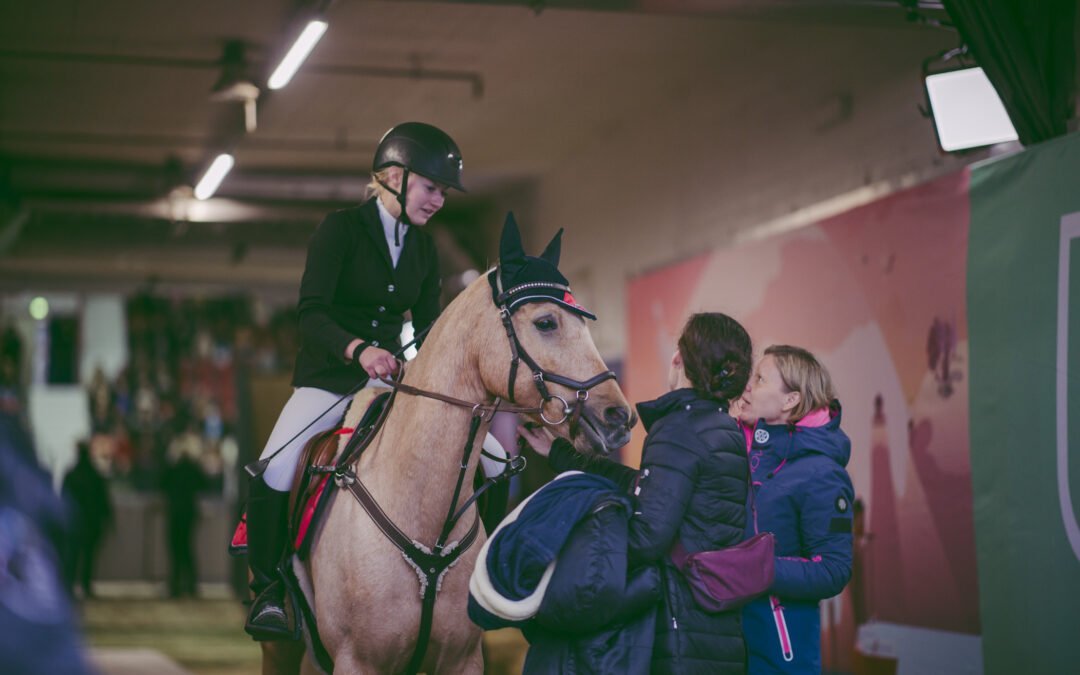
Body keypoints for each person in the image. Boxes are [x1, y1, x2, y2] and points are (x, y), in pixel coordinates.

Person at [244, 121, 465, 640]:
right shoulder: (339, 230)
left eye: (443, 193)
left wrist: (426, 365)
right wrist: (359, 349)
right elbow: (311, 313)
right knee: (274, 467)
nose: (438, 201)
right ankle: (269, 591)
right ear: (393, 176)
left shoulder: (425, 249)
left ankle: (468, 576)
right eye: (432, 188)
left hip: (388, 384)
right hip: (329, 380)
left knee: (488, 458)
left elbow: (429, 325)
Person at [519, 312, 753, 674]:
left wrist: (573, 552)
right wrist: (562, 455)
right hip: (715, 626)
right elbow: (651, 485)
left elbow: (647, 536)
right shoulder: (724, 430)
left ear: (679, 358)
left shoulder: (680, 430)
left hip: (677, 627)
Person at [733, 345, 854, 674]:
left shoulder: (823, 475)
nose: (748, 386)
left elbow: (833, 570)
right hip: (736, 639)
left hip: (782, 649)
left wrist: (758, 569)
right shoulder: (753, 452)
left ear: (790, 401)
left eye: (759, 378)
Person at [61, 440, 113, 598]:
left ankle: (69, 586)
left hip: (75, 522)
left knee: (73, 556)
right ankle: (85, 586)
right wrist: (108, 519)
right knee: (88, 557)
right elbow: (103, 500)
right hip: (91, 522)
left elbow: (63, 499)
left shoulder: (71, 475)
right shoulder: (95, 475)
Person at [162, 443, 206, 598]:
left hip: (174, 514)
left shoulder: (173, 470)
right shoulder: (193, 470)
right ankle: (191, 586)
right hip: (189, 514)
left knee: (175, 551)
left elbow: (161, 483)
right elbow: (205, 484)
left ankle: (175, 587)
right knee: (187, 550)